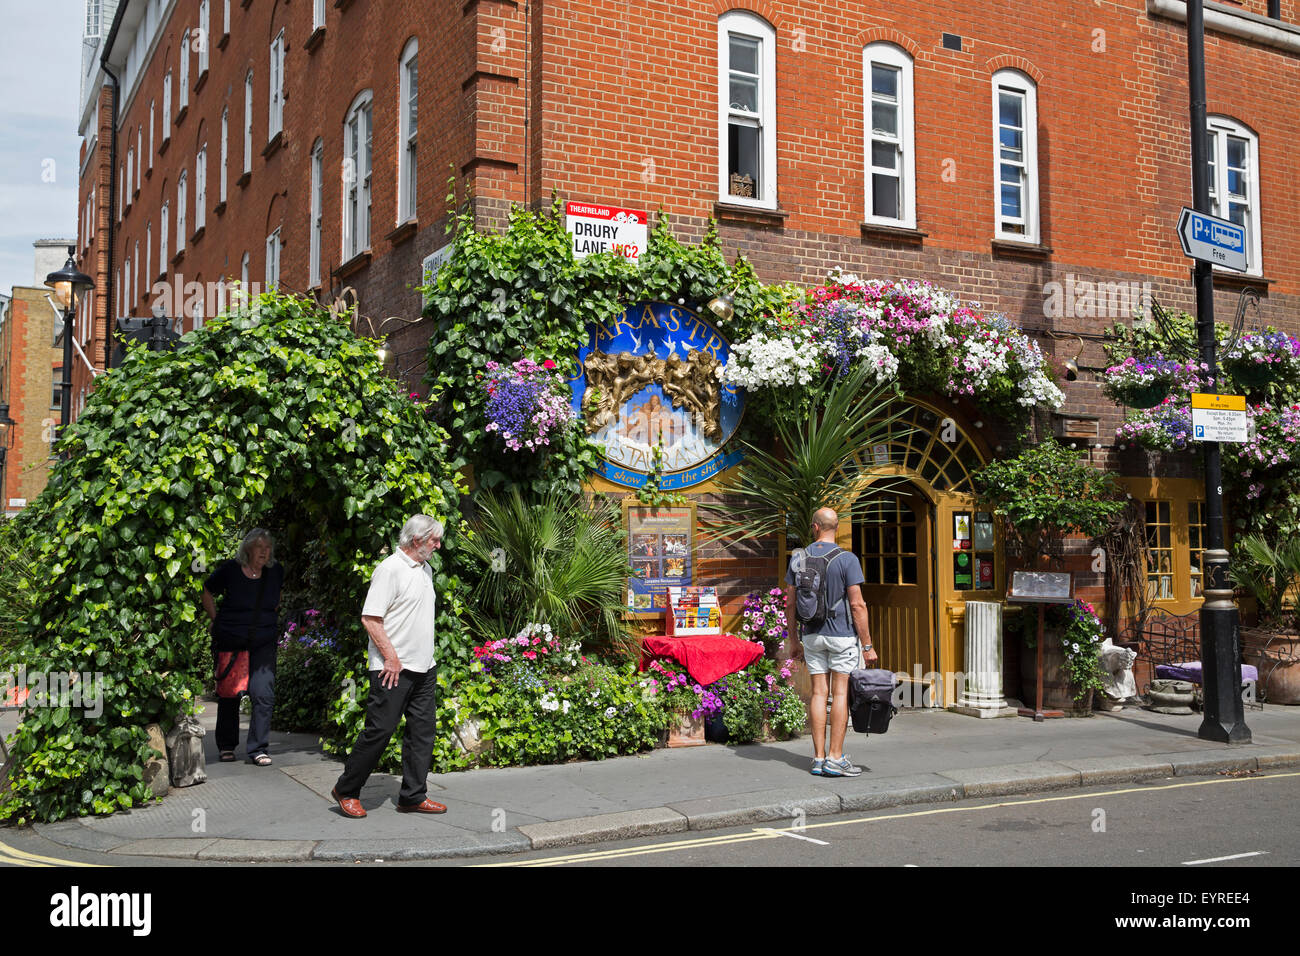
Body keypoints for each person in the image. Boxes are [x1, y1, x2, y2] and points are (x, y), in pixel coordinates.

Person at [331, 515, 447, 818]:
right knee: (379, 731)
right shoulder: (389, 569)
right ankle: (346, 790)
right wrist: (392, 658)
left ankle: (412, 796)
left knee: (422, 733)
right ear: (417, 540)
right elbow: (370, 618)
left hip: (424, 668)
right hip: (392, 668)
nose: (438, 544)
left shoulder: (426, 570)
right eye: (434, 539)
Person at [784, 507, 876, 777]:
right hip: (841, 634)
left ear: (814, 527)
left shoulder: (799, 558)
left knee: (818, 693)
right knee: (839, 694)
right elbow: (857, 605)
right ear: (835, 527)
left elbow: (790, 603)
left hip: (811, 634)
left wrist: (794, 640)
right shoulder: (847, 559)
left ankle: (818, 758)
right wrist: (868, 645)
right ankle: (835, 758)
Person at [202, 529, 284, 765]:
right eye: (260, 547)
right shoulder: (230, 570)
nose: (264, 552)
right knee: (230, 694)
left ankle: (258, 748)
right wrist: (215, 619)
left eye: (268, 547)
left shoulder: (275, 571)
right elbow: (206, 590)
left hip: (263, 642)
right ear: (247, 549)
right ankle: (227, 746)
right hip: (232, 640)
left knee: (264, 693)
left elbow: (276, 598)